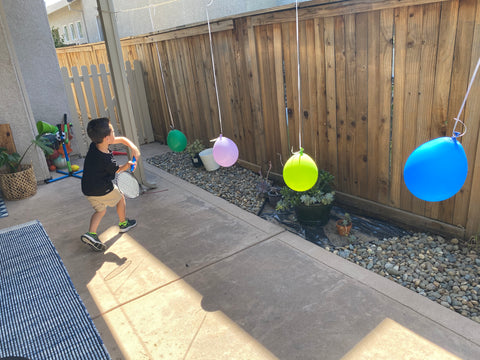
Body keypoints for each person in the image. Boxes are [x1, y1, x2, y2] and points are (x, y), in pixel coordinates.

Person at [80, 117, 141, 251]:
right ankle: (123, 223)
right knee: (120, 198)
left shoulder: (94, 145)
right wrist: (128, 165)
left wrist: (133, 147)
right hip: (102, 188)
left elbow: (122, 139)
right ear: (107, 138)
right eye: (113, 131)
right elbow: (118, 169)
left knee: (100, 210)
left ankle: (91, 234)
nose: (115, 134)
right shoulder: (106, 160)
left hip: (87, 189)